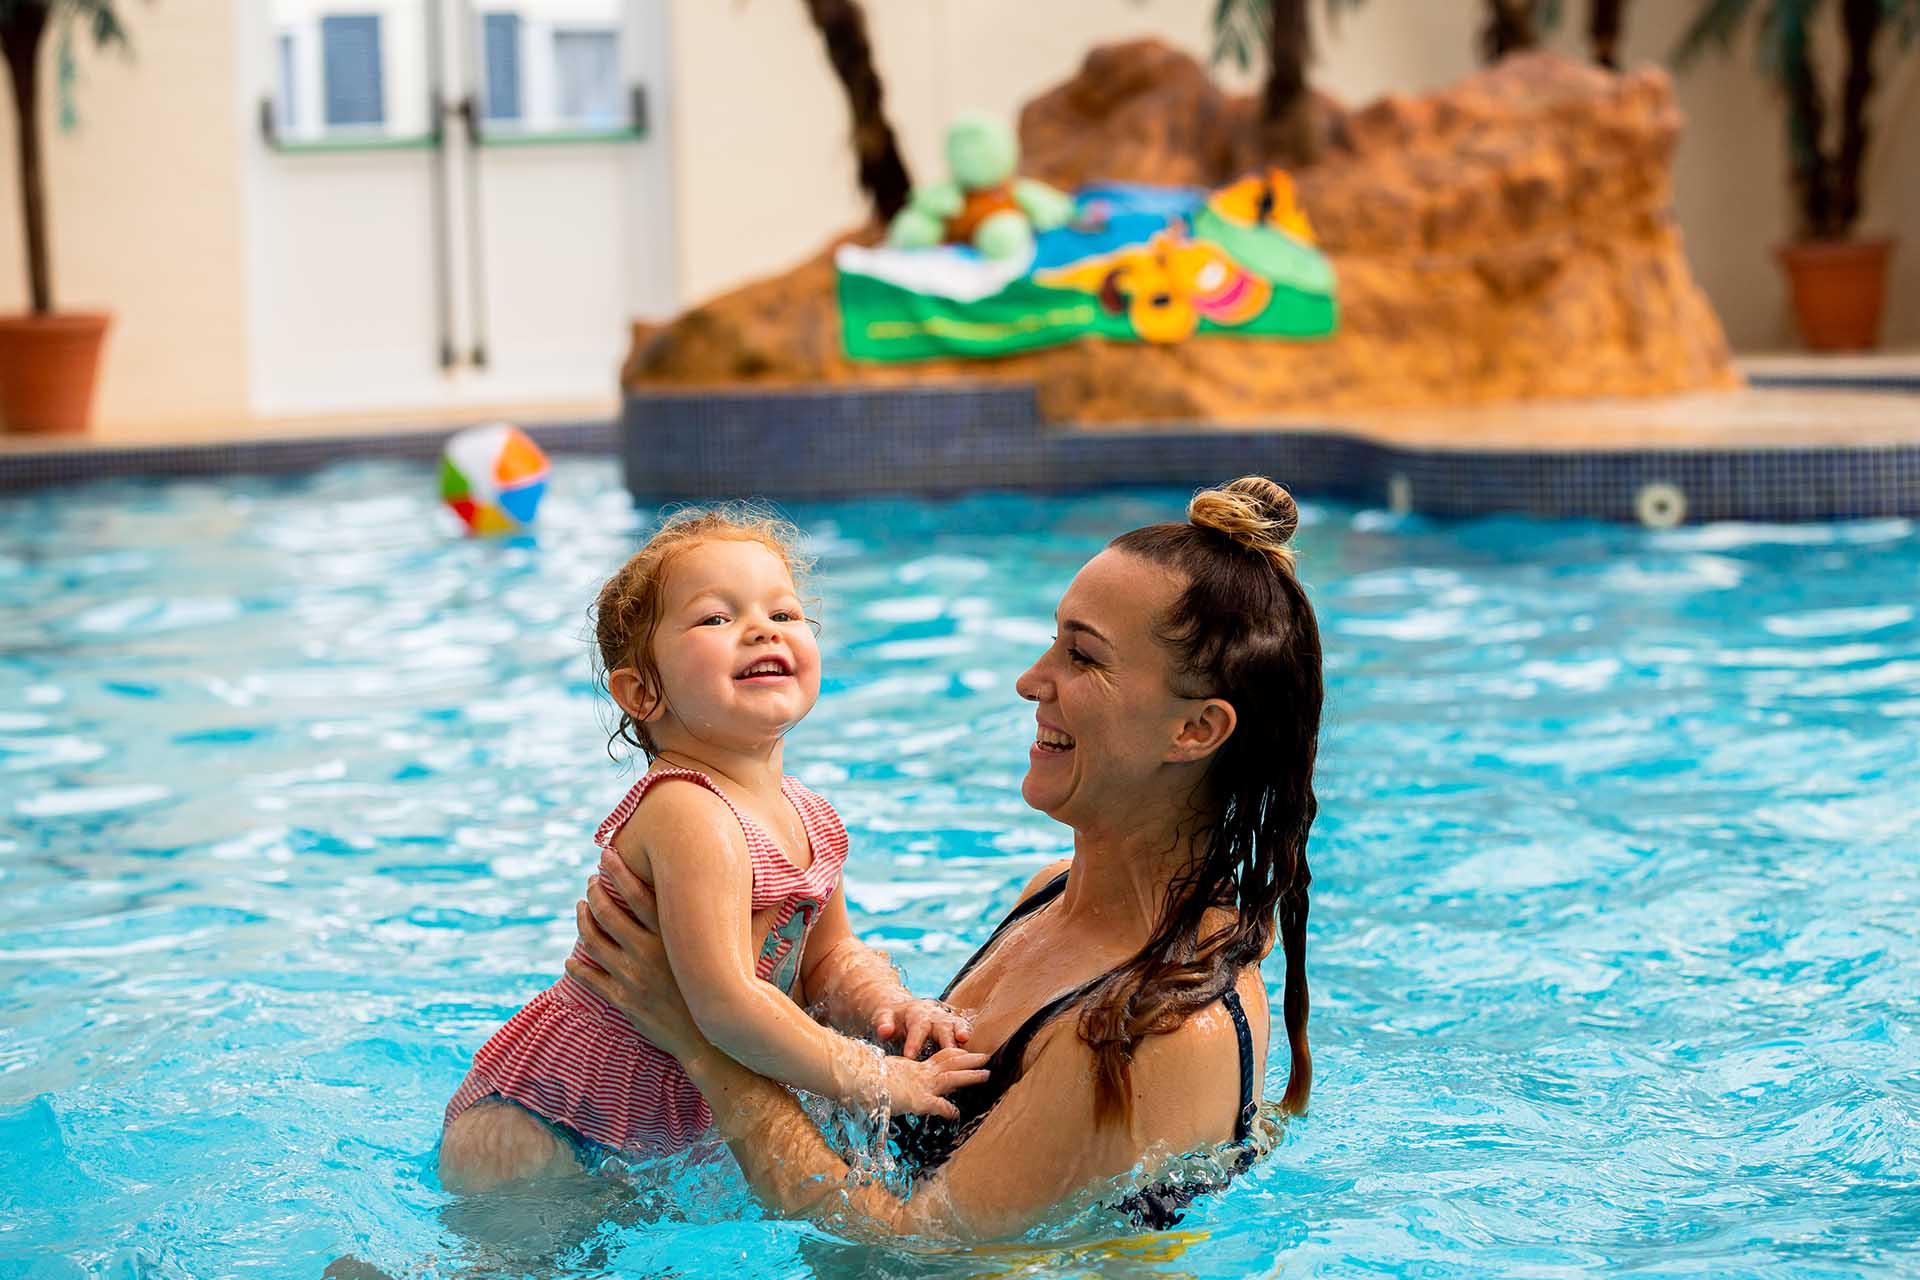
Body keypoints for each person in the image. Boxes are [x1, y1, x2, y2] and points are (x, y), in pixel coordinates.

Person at [568, 477, 1324, 1238]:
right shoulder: (1052, 896)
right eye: (1052, 640)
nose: (1031, 680)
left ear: (1194, 730)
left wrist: (700, 1041)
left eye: (1082, 658)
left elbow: (921, 1249)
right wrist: (884, 1012)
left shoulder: (1158, 1029)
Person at [439, 508, 987, 1193]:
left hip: (648, 1119)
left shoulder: (808, 812)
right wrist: (879, 1078)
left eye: (783, 613)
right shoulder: (687, 811)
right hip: (549, 1125)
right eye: (715, 619)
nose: (761, 629)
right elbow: (725, 1005)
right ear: (641, 692)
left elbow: (830, 956)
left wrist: (889, 1006)